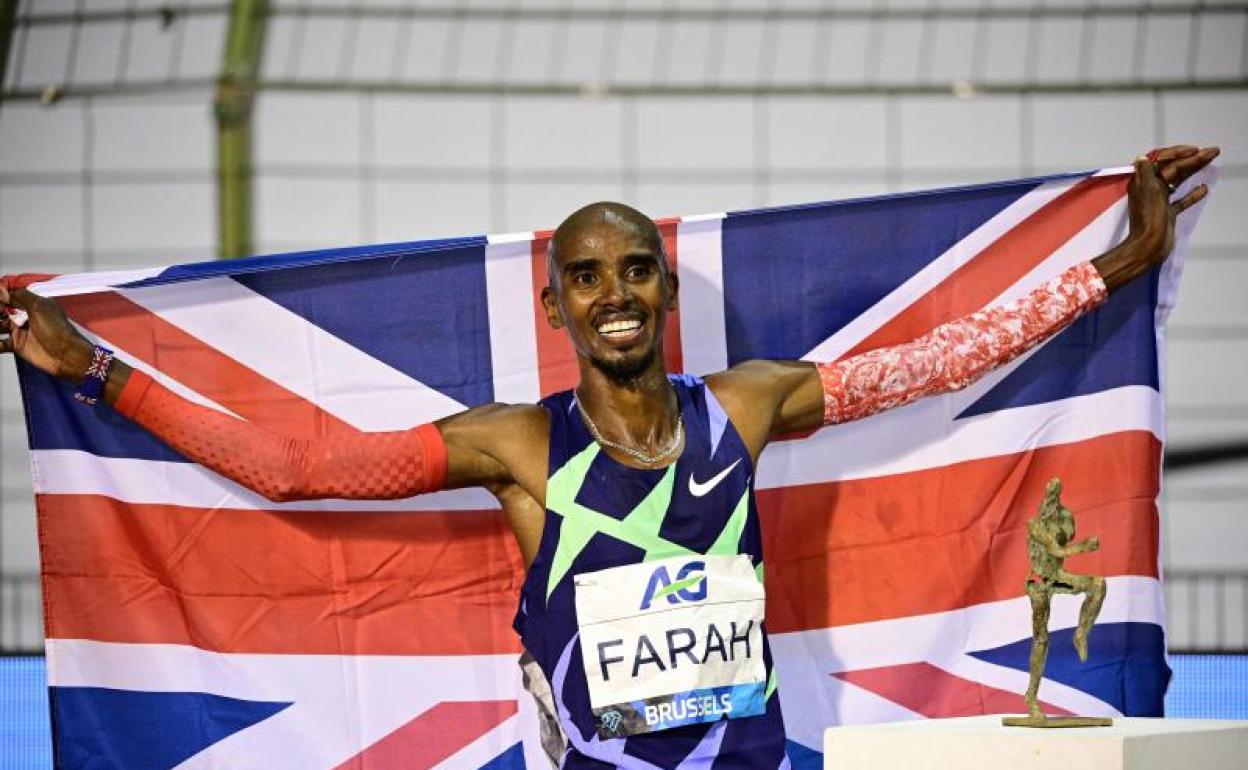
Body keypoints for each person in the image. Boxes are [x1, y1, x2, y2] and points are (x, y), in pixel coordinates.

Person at [0, 146, 1218, 767]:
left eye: (636, 269)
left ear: (664, 288)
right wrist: (96, 369)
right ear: (556, 306)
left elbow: (942, 359)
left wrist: (1113, 266)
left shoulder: (746, 406)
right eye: (587, 277)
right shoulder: (517, 442)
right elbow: (290, 467)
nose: (616, 293)